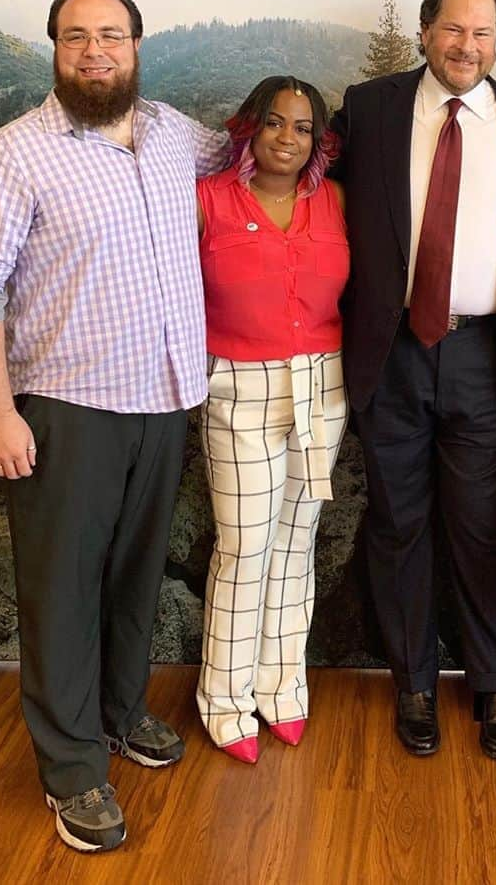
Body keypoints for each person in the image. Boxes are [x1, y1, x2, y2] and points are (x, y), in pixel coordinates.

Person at [0, 0, 229, 852]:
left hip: (166, 398)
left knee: (134, 576)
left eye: (111, 35)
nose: (94, 51)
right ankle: (72, 769)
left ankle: (118, 711)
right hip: (65, 409)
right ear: (54, 49)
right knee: (62, 589)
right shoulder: (13, 151)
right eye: (75, 37)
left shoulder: (178, 134)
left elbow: (256, 151)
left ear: (138, 46)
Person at [331, 0, 496, 758]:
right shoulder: (369, 110)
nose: (468, 45)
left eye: (484, 32)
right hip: (390, 348)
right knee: (397, 524)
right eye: (455, 29)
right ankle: (415, 682)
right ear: (427, 30)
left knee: (482, 523)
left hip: (482, 353)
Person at [194, 76, 348, 763]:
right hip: (238, 387)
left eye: (303, 127)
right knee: (245, 548)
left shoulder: (333, 201)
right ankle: (225, 701)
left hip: (323, 384)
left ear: (318, 140)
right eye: (276, 123)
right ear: (250, 129)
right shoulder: (208, 201)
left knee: (295, 545)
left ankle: (282, 688)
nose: (288, 138)